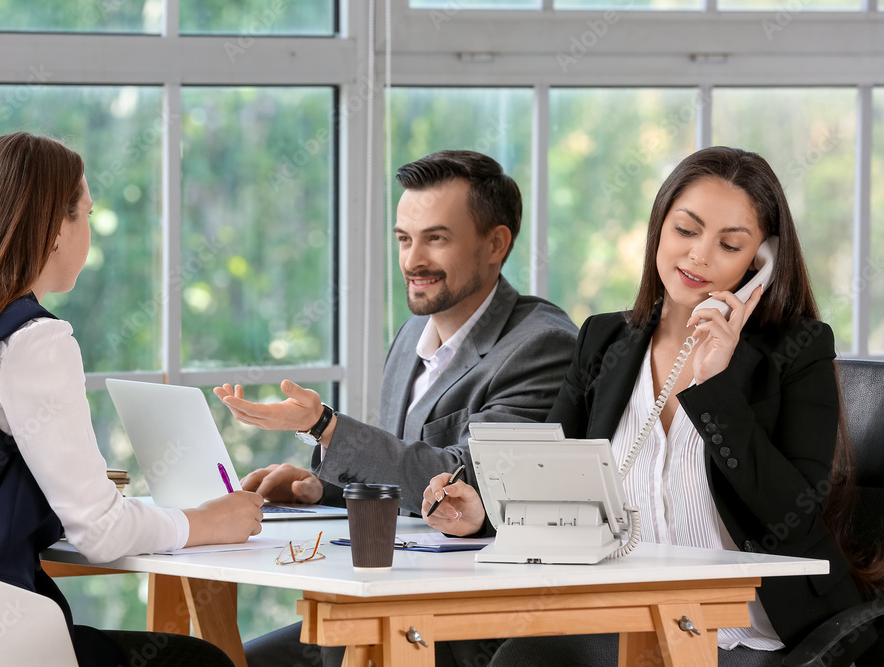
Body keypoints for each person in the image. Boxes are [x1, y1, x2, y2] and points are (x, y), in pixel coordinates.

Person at [422, 146, 881, 667]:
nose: (699, 257)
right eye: (686, 231)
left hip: (755, 632)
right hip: (624, 616)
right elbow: (549, 475)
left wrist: (714, 386)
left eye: (729, 244)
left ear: (761, 260)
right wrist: (481, 511)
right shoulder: (604, 339)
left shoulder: (798, 349)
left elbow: (794, 516)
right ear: (659, 227)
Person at [0, 132, 263, 667]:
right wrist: (208, 522)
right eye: (84, 214)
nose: (88, 231)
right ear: (53, 229)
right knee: (201, 661)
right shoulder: (34, 339)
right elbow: (102, 533)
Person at [219, 150, 579, 667]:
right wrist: (321, 489)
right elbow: (404, 490)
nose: (412, 261)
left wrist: (324, 425)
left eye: (436, 238)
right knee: (223, 660)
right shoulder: (414, 334)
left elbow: (460, 484)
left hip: (464, 631)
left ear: (496, 244)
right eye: (404, 239)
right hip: (382, 607)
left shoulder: (543, 346)